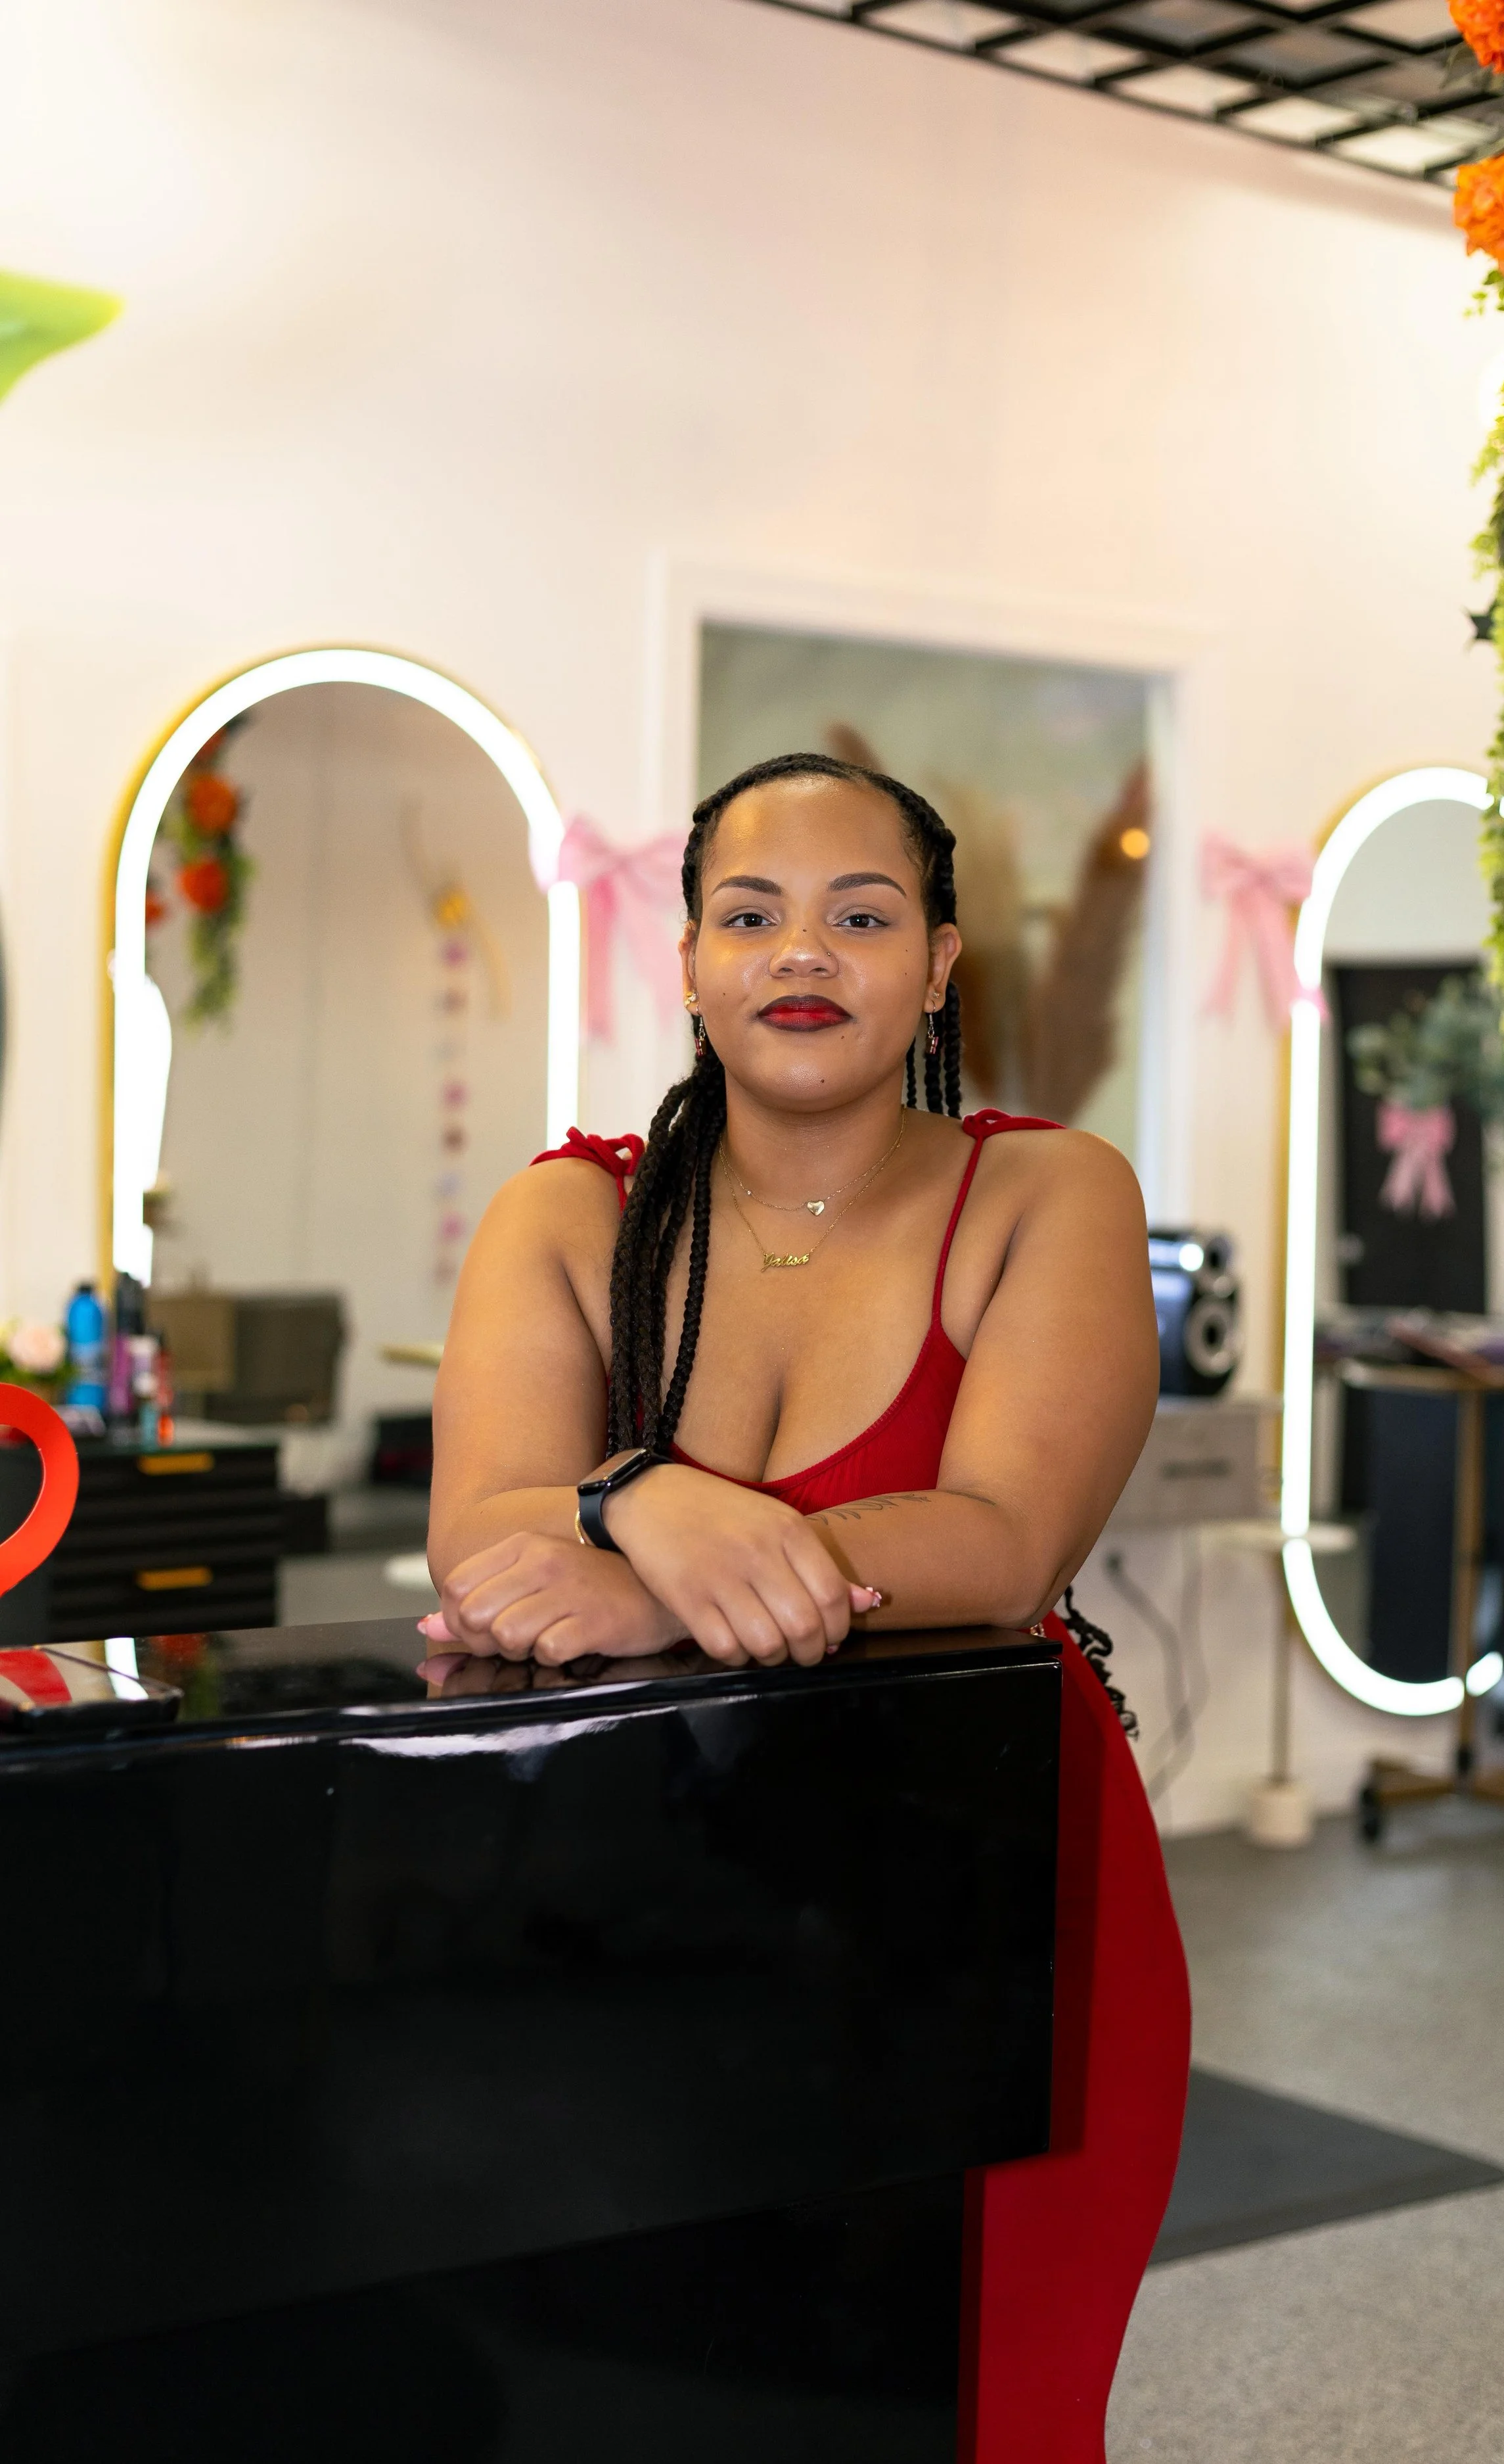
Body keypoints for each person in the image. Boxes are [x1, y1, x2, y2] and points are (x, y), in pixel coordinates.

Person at [424, 752, 1191, 2461]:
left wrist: (640, 1570)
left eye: (862, 915)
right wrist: (650, 1491)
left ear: (936, 962)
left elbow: (999, 1542)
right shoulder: (568, 1212)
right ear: (685, 957)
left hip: (1007, 1901)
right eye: (749, 913)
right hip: (660, 1913)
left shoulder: (1048, 1193)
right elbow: (474, 1525)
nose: (802, 953)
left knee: (999, 2413)